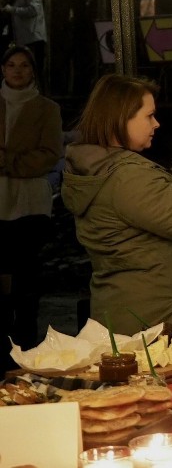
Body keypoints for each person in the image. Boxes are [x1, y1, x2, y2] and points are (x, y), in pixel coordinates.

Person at [61, 74, 172, 336]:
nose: (156, 124)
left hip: (131, 316)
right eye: (149, 116)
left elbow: (160, 201)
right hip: (154, 324)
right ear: (121, 117)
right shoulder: (126, 176)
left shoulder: (102, 166)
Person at [0, 45, 62, 363]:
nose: (17, 71)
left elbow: (48, 155)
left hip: (30, 205)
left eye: (24, 65)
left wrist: (7, 161)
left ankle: (25, 350)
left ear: (32, 70)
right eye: (11, 65)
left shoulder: (46, 109)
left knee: (26, 282)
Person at [2, 0, 47, 82]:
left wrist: (13, 10)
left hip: (32, 37)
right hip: (22, 38)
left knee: (32, 69)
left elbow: (33, 10)